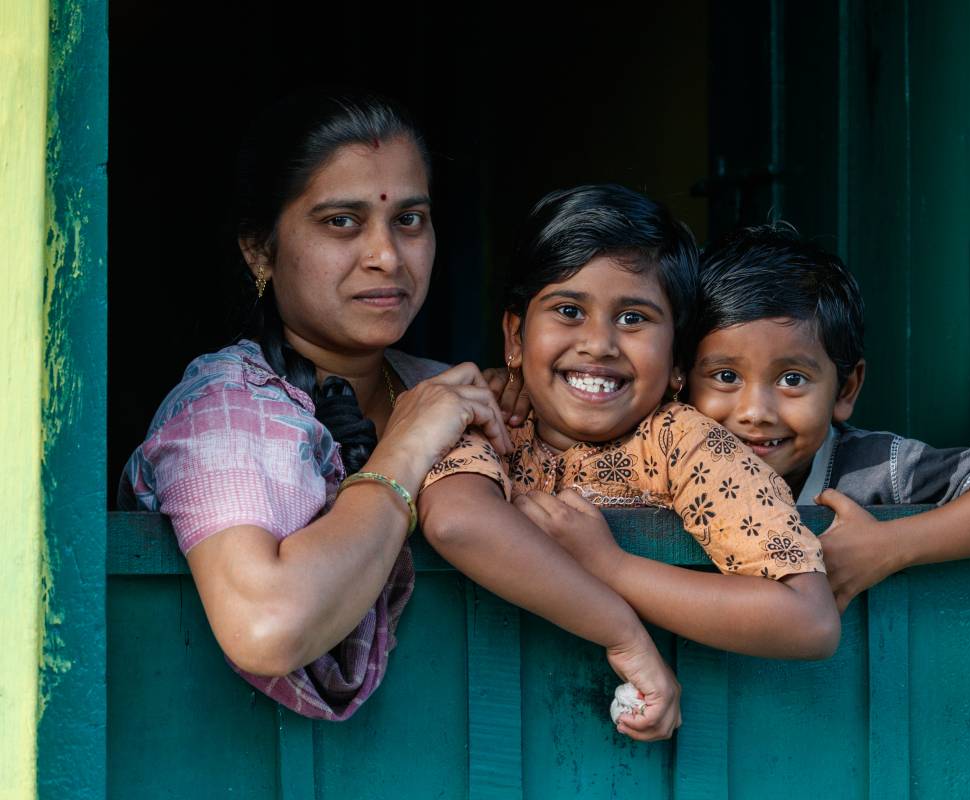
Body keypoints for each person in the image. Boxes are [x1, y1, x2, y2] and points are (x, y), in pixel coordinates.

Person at [120, 88, 527, 720]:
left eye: (409, 220)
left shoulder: (442, 386)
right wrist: (406, 449)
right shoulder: (223, 413)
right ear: (259, 249)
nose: (386, 256)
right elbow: (266, 625)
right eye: (341, 221)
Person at [419, 185, 841, 688]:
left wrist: (613, 567)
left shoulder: (689, 446)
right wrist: (624, 635)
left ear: (678, 361)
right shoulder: (484, 424)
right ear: (515, 337)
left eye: (633, 318)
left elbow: (810, 621)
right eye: (569, 311)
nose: (599, 344)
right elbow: (455, 524)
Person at [685, 224, 970, 612]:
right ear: (681, 378)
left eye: (792, 379)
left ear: (845, 390)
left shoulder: (877, 467)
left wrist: (890, 546)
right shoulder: (656, 464)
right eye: (726, 377)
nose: (755, 412)